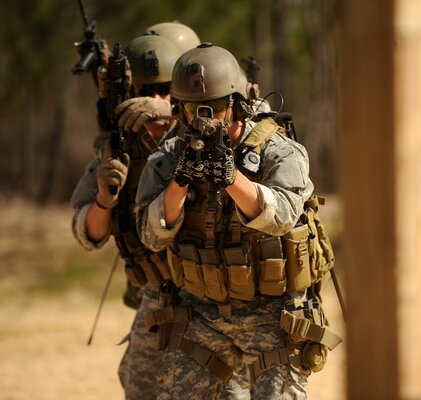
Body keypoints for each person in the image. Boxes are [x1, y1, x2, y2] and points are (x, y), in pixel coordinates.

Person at [135, 43, 340, 400]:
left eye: (213, 108)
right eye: (190, 108)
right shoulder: (168, 158)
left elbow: (284, 217)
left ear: (236, 103)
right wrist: (179, 185)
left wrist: (233, 179)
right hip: (202, 317)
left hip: (272, 317)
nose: (203, 118)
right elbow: (150, 237)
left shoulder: (278, 151)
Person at [70, 32, 185, 399]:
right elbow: (89, 233)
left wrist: (177, 114)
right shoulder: (118, 147)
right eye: (148, 90)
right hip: (158, 291)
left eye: (168, 90)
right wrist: (105, 199)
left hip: (214, 292)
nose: (157, 100)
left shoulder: (198, 132)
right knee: (141, 384)